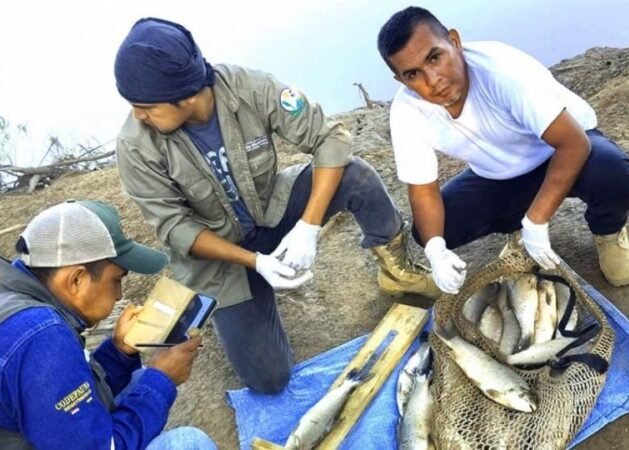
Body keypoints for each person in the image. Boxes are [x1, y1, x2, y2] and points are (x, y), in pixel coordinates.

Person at [113, 18, 438, 394]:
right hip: (221, 260)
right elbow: (175, 228)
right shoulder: (136, 144)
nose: (138, 115)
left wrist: (308, 227)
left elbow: (328, 138)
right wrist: (257, 262)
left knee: (355, 174)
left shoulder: (250, 88)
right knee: (270, 380)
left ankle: (397, 270)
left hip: (272, 211)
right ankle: (240, 299)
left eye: (145, 106)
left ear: (184, 93)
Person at [377, 7, 629, 294]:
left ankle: (608, 232)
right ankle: (517, 232)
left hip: (562, 149)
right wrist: (436, 252)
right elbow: (423, 191)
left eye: (435, 57)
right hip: (500, 175)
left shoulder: (501, 71)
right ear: (401, 81)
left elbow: (573, 143)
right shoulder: (407, 112)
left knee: (613, 173)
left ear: (454, 41)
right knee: (433, 229)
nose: (432, 80)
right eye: (413, 73)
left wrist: (537, 220)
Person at [0, 200, 215, 449]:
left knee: (138, 378)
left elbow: (57, 389)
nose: (119, 295)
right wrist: (164, 378)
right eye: (116, 280)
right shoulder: (41, 335)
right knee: (188, 443)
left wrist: (118, 352)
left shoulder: (13, 296)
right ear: (76, 280)